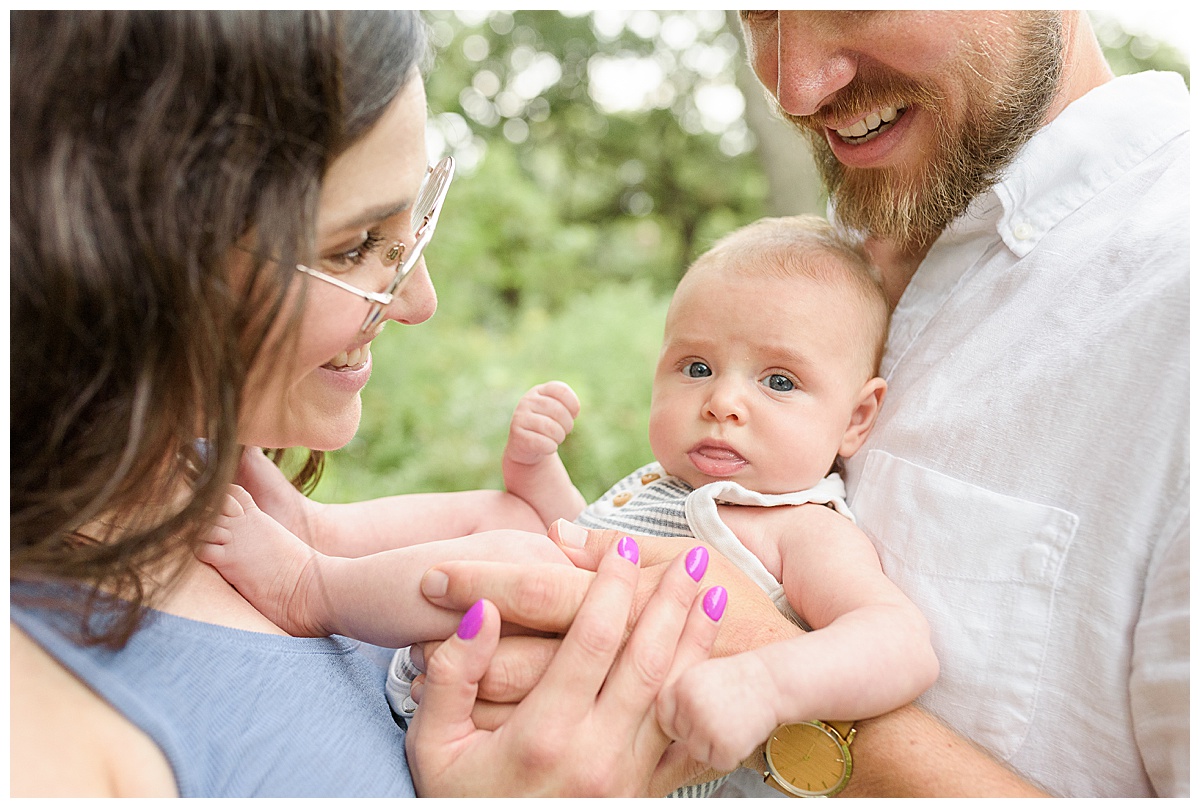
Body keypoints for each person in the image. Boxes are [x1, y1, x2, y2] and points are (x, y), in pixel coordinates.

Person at [421, 10, 1186, 798]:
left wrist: (760, 675)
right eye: (757, 13)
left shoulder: (1173, 298)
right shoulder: (821, 260)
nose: (794, 88)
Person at [9, 10, 745, 797]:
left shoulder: (223, 487)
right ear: (115, 254)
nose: (417, 300)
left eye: (414, 226)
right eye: (356, 248)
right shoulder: (41, 724)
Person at [199, 215, 939, 790]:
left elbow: (901, 642)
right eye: (697, 366)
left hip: (591, 750)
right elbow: (577, 534)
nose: (722, 403)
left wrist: (766, 682)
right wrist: (535, 467)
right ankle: (320, 530)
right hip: (501, 680)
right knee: (513, 521)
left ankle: (309, 588)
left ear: (857, 418)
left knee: (525, 557)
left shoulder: (802, 527)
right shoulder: (668, 486)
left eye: (779, 382)